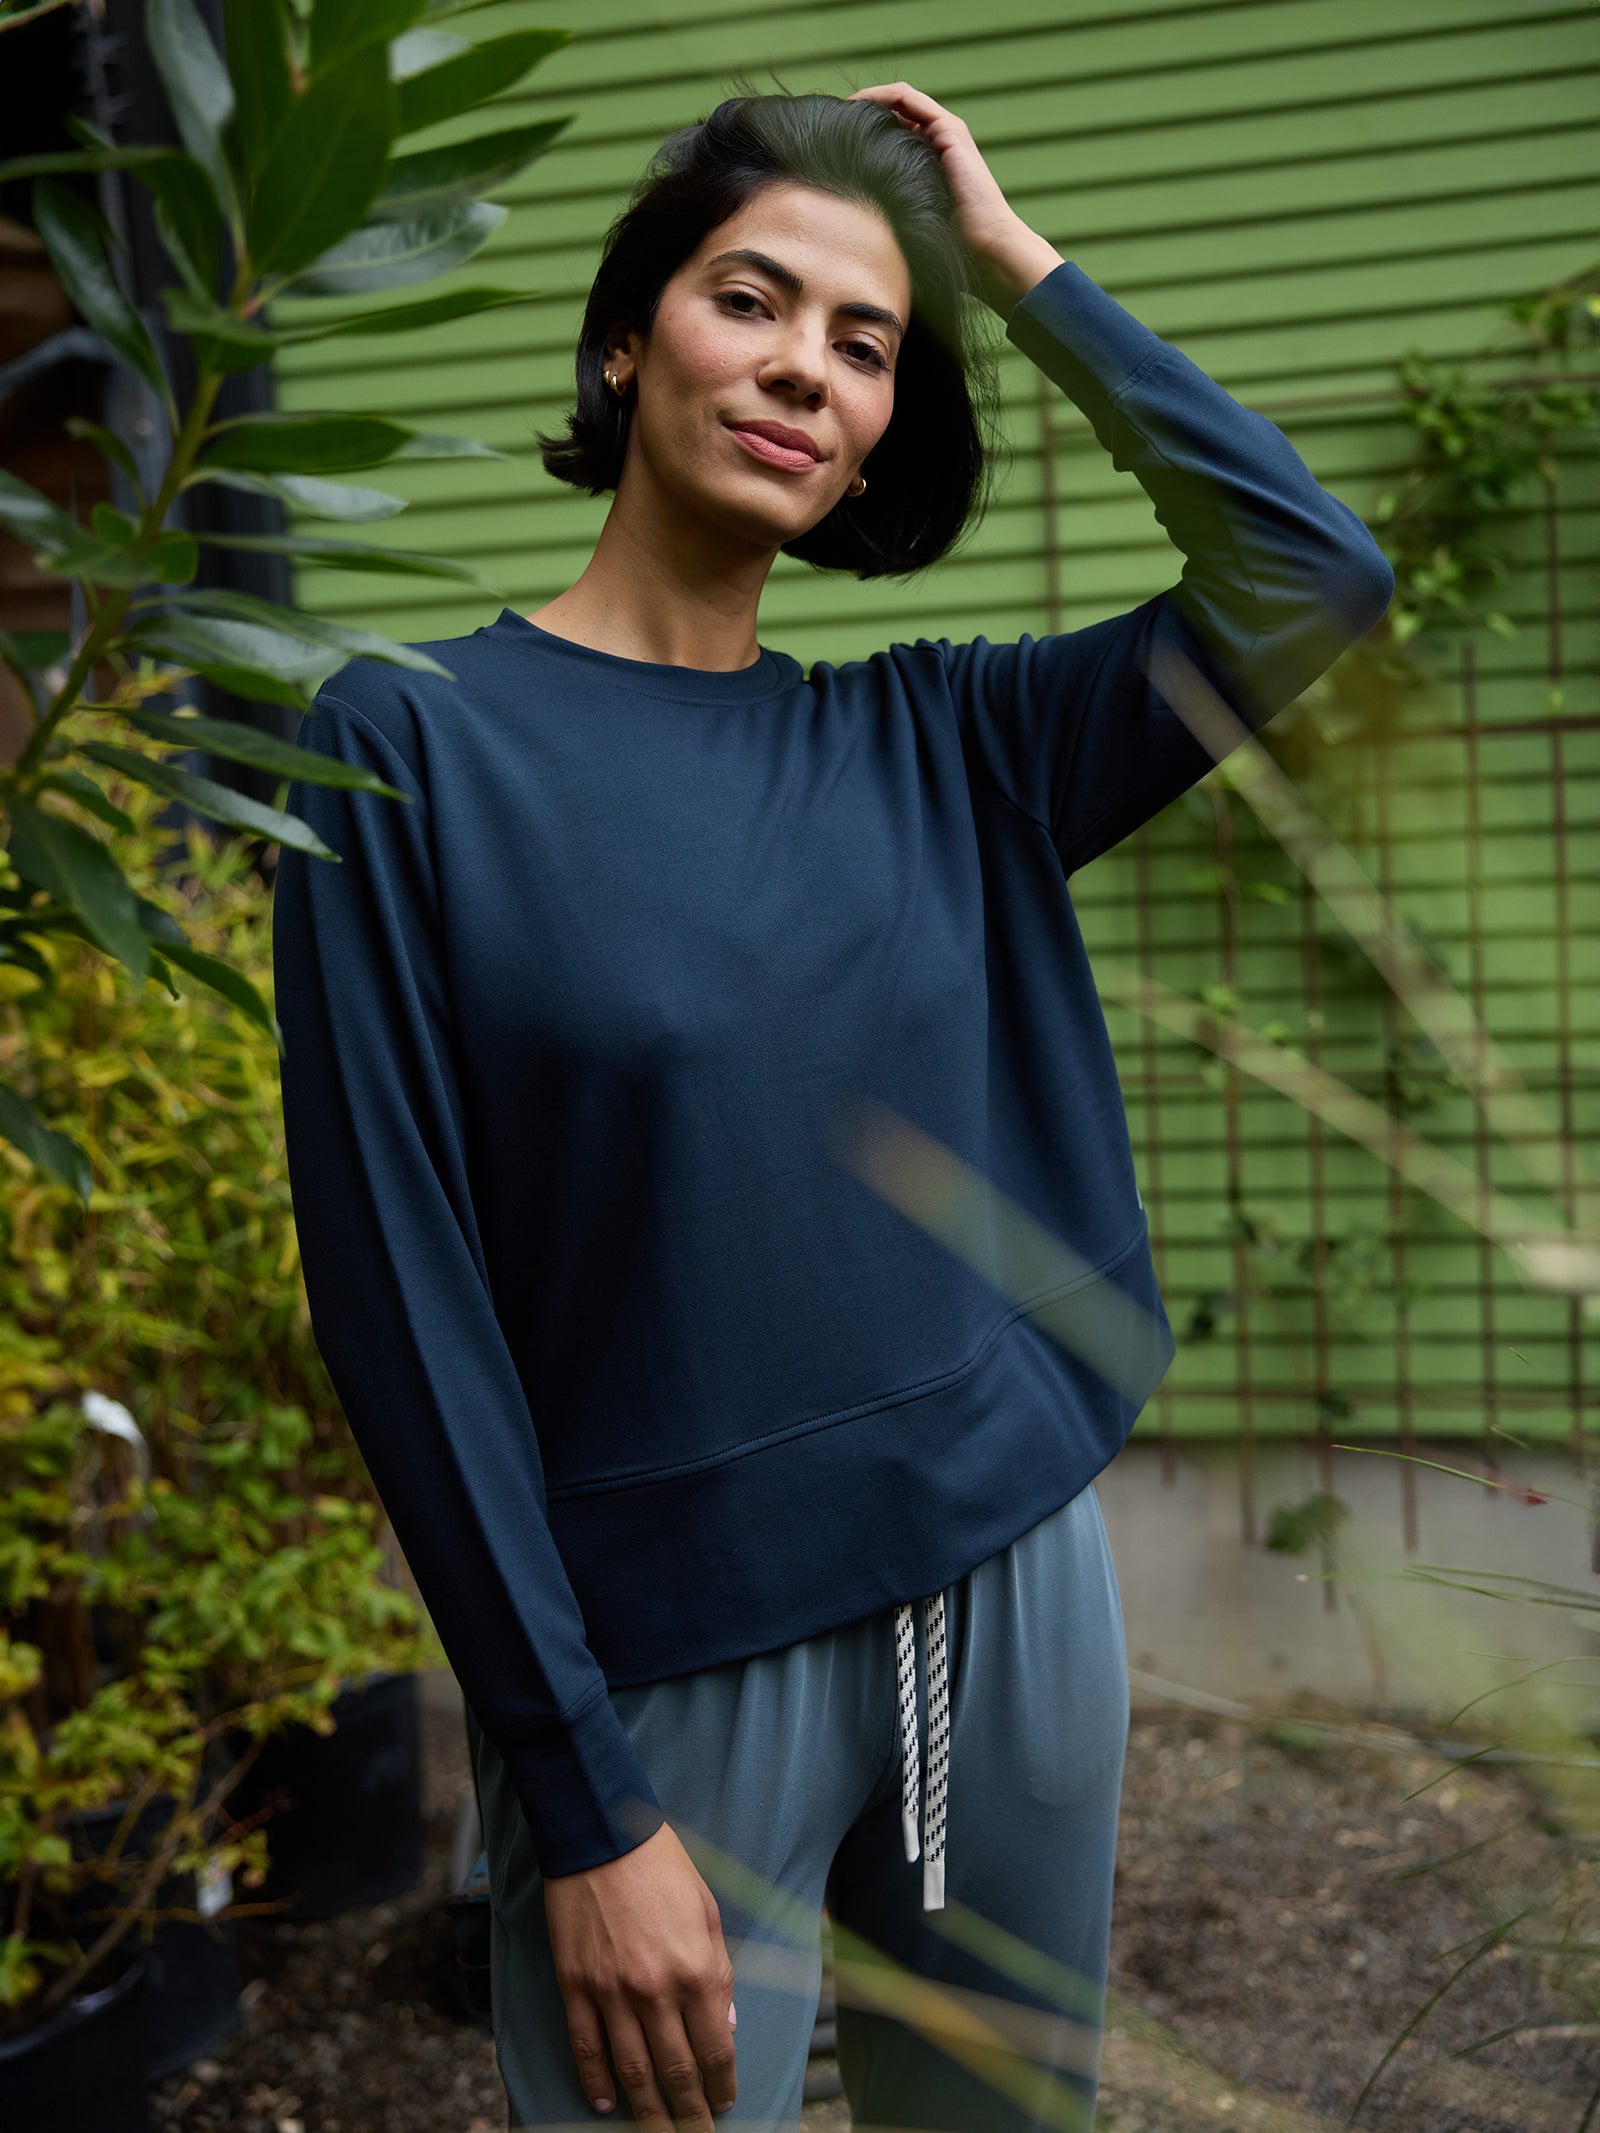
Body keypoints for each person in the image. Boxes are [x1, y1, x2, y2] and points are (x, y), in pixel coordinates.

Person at [271, 83, 1392, 2133]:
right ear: (628, 340)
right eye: (748, 298)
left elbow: (1308, 572)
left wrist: (1011, 264)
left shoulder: (947, 743)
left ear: (882, 419)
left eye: (865, 341)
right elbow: (403, 1313)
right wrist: (580, 1801)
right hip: (671, 1679)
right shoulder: (410, 753)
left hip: (1013, 1595)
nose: (801, 364)